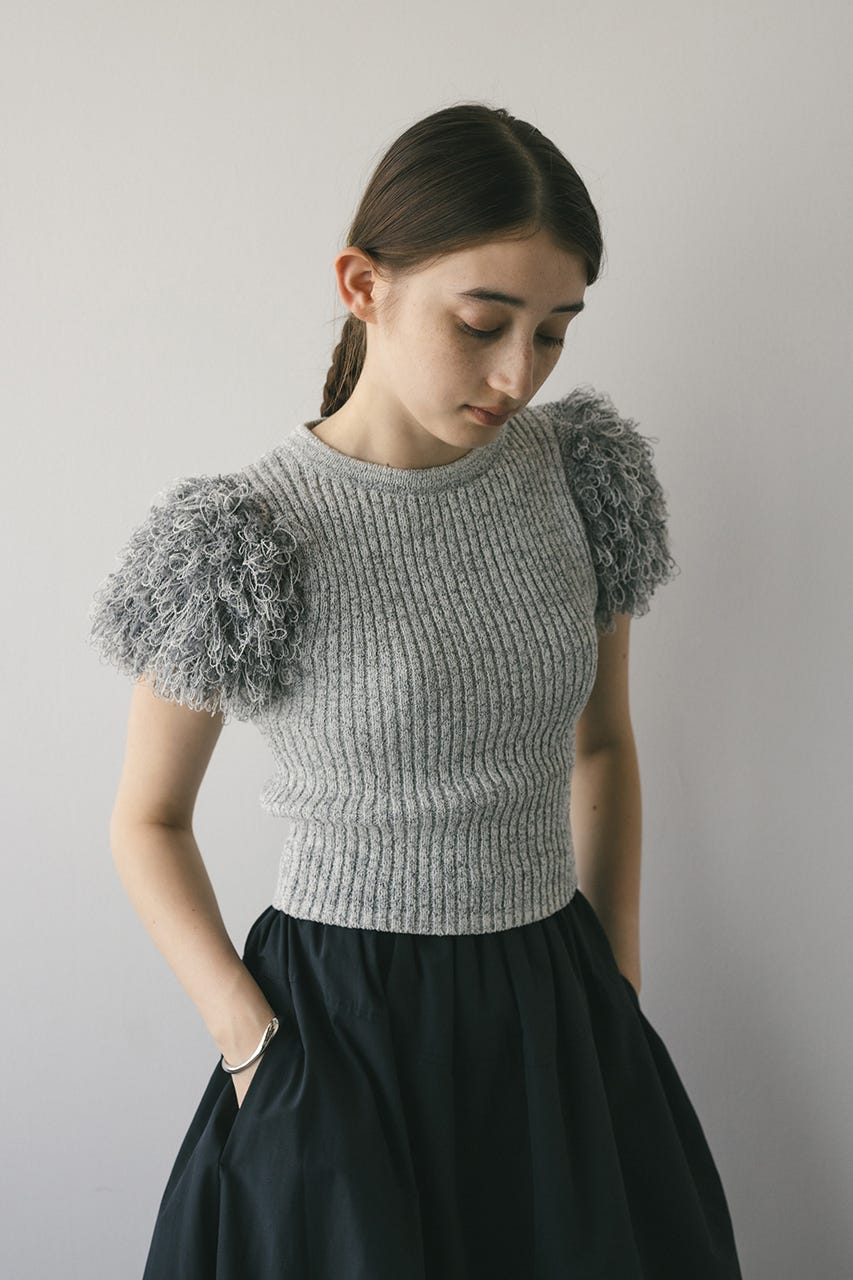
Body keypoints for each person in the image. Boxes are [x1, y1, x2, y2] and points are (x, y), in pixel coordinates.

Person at [87, 101, 744, 1279]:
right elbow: (148, 819)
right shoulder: (246, 539)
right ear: (363, 284)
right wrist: (253, 1047)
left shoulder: (580, 478)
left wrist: (616, 972)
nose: (517, 373)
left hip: (555, 1003)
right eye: (484, 322)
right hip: (338, 1030)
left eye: (553, 333)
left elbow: (601, 742)